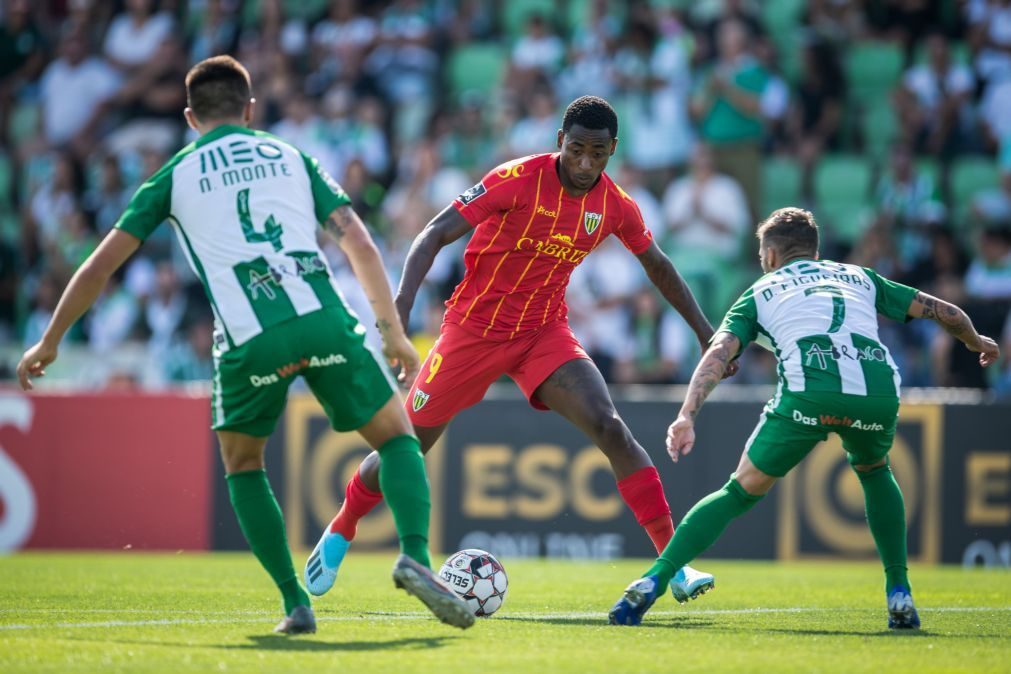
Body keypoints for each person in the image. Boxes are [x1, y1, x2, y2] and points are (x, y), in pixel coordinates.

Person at [15, 55, 474, 634]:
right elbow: (357, 239)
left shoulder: (174, 175)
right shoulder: (290, 155)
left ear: (189, 117)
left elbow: (101, 264)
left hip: (246, 338)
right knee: (397, 437)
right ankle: (414, 556)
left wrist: (51, 340)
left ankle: (294, 602)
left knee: (242, 464)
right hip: (323, 318)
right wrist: (393, 334)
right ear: (250, 109)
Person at [306, 95, 729, 605]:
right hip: (472, 331)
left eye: (598, 153)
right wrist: (397, 310)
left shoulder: (615, 206)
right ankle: (342, 526)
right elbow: (432, 234)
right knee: (407, 446)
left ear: (613, 149)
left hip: (542, 333)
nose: (586, 164)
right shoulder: (516, 178)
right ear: (560, 142)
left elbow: (657, 265)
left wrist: (707, 332)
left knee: (610, 427)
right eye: (577, 150)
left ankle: (671, 565)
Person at [608, 207, 1001, 629]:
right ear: (814, 250)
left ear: (772, 255)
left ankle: (655, 580)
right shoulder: (860, 277)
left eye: (762, 254)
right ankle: (899, 591)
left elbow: (718, 354)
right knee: (874, 470)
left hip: (811, 394)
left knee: (740, 491)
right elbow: (944, 310)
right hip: (877, 391)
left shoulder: (761, 290)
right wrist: (977, 341)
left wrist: (687, 413)